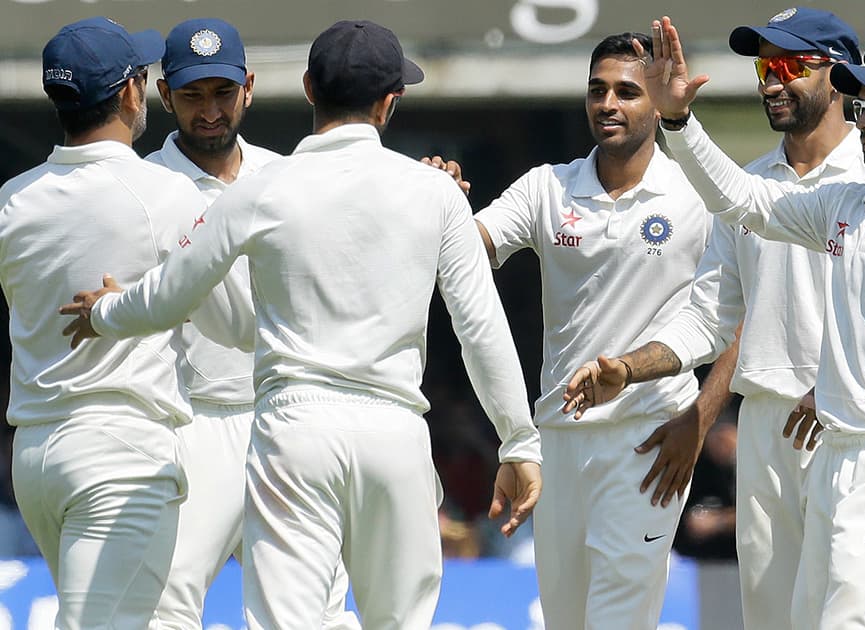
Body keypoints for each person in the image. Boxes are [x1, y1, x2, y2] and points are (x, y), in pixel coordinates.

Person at [59, 19, 543, 629]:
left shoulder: (263, 187)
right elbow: (482, 329)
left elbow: (164, 299)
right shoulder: (434, 192)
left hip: (293, 430)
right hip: (393, 432)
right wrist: (519, 440)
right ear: (392, 100)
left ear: (309, 88)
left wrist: (105, 311)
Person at [610, 16, 865, 629]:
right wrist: (680, 124)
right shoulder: (846, 206)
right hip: (836, 456)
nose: (864, 119)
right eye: (862, 105)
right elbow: (747, 202)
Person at [560, 9, 865, 629]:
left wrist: (843, 379)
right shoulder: (748, 182)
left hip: (854, 427)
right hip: (766, 429)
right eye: (764, 67)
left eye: (790, 66)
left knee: (854, 615)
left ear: (839, 77)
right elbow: (709, 315)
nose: (771, 82)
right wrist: (629, 367)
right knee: (770, 618)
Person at [473, 31, 725, 630]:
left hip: (647, 437)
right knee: (565, 620)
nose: (608, 104)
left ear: (657, 102)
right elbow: (468, 249)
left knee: (618, 619)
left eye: (627, 92)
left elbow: (731, 315)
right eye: (597, 90)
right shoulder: (547, 186)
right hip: (558, 437)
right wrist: (440, 203)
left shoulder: (698, 192)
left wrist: (701, 417)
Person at [146, 18, 356, 629]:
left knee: (317, 612)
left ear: (250, 88)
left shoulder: (288, 175)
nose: (209, 111)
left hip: (286, 414)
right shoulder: (147, 187)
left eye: (221, 93)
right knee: (167, 602)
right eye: (191, 96)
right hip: (189, 422)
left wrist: (433, 187)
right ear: (164, 96)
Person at [1, 17, 207, 628]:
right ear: (128, 93)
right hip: (120, 452)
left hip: (36, 460)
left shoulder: (13, 199)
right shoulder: (167, 194)